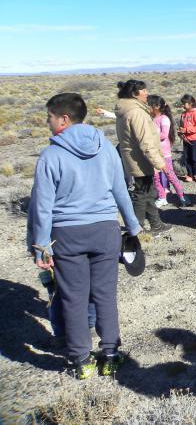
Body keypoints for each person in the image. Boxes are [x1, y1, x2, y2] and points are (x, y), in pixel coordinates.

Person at [28, 93, 141, 379]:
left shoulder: (50, 155)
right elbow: (120, 190)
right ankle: (111, 354)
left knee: (73, 298)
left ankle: (81, 360)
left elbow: (42, 206)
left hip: (67, 236)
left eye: (50, 118)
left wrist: (41, 246)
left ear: (64, 119)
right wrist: (132, 226)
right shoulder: (104, 148)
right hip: (106, 231)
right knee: (105, 296)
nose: (47, 123)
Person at [114, 80, 171, 236]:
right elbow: (146, 141)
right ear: (134, 94)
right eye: (143, 90)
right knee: (141, 194)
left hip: (135, 158)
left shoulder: (127, 109)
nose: (146, 93)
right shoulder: (136, 112)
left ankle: (155, 224)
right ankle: (137, 229)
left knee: (148, 191)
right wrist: (160, 163)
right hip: (140, 159)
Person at [146, 95, 189, 208]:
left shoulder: (164, 119)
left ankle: (182, 196)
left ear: (156, 106)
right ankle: (162, 197)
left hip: (164, 154)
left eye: (149, 105)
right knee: (155, 177)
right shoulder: (152, 119)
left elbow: (164, 135)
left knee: (170, 176)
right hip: (154, 154)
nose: (148, 107)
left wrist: (149, 137)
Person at [178, 94, 196, 182]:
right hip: (186, 140)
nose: (182, 105)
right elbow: (181, 126)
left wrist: (185, 130)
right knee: (187, 157)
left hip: (194, 139)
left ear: (190, 103)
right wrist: (180, 132)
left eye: (184, 103)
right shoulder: (183, 114)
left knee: (195, 157)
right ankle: (190, 174)